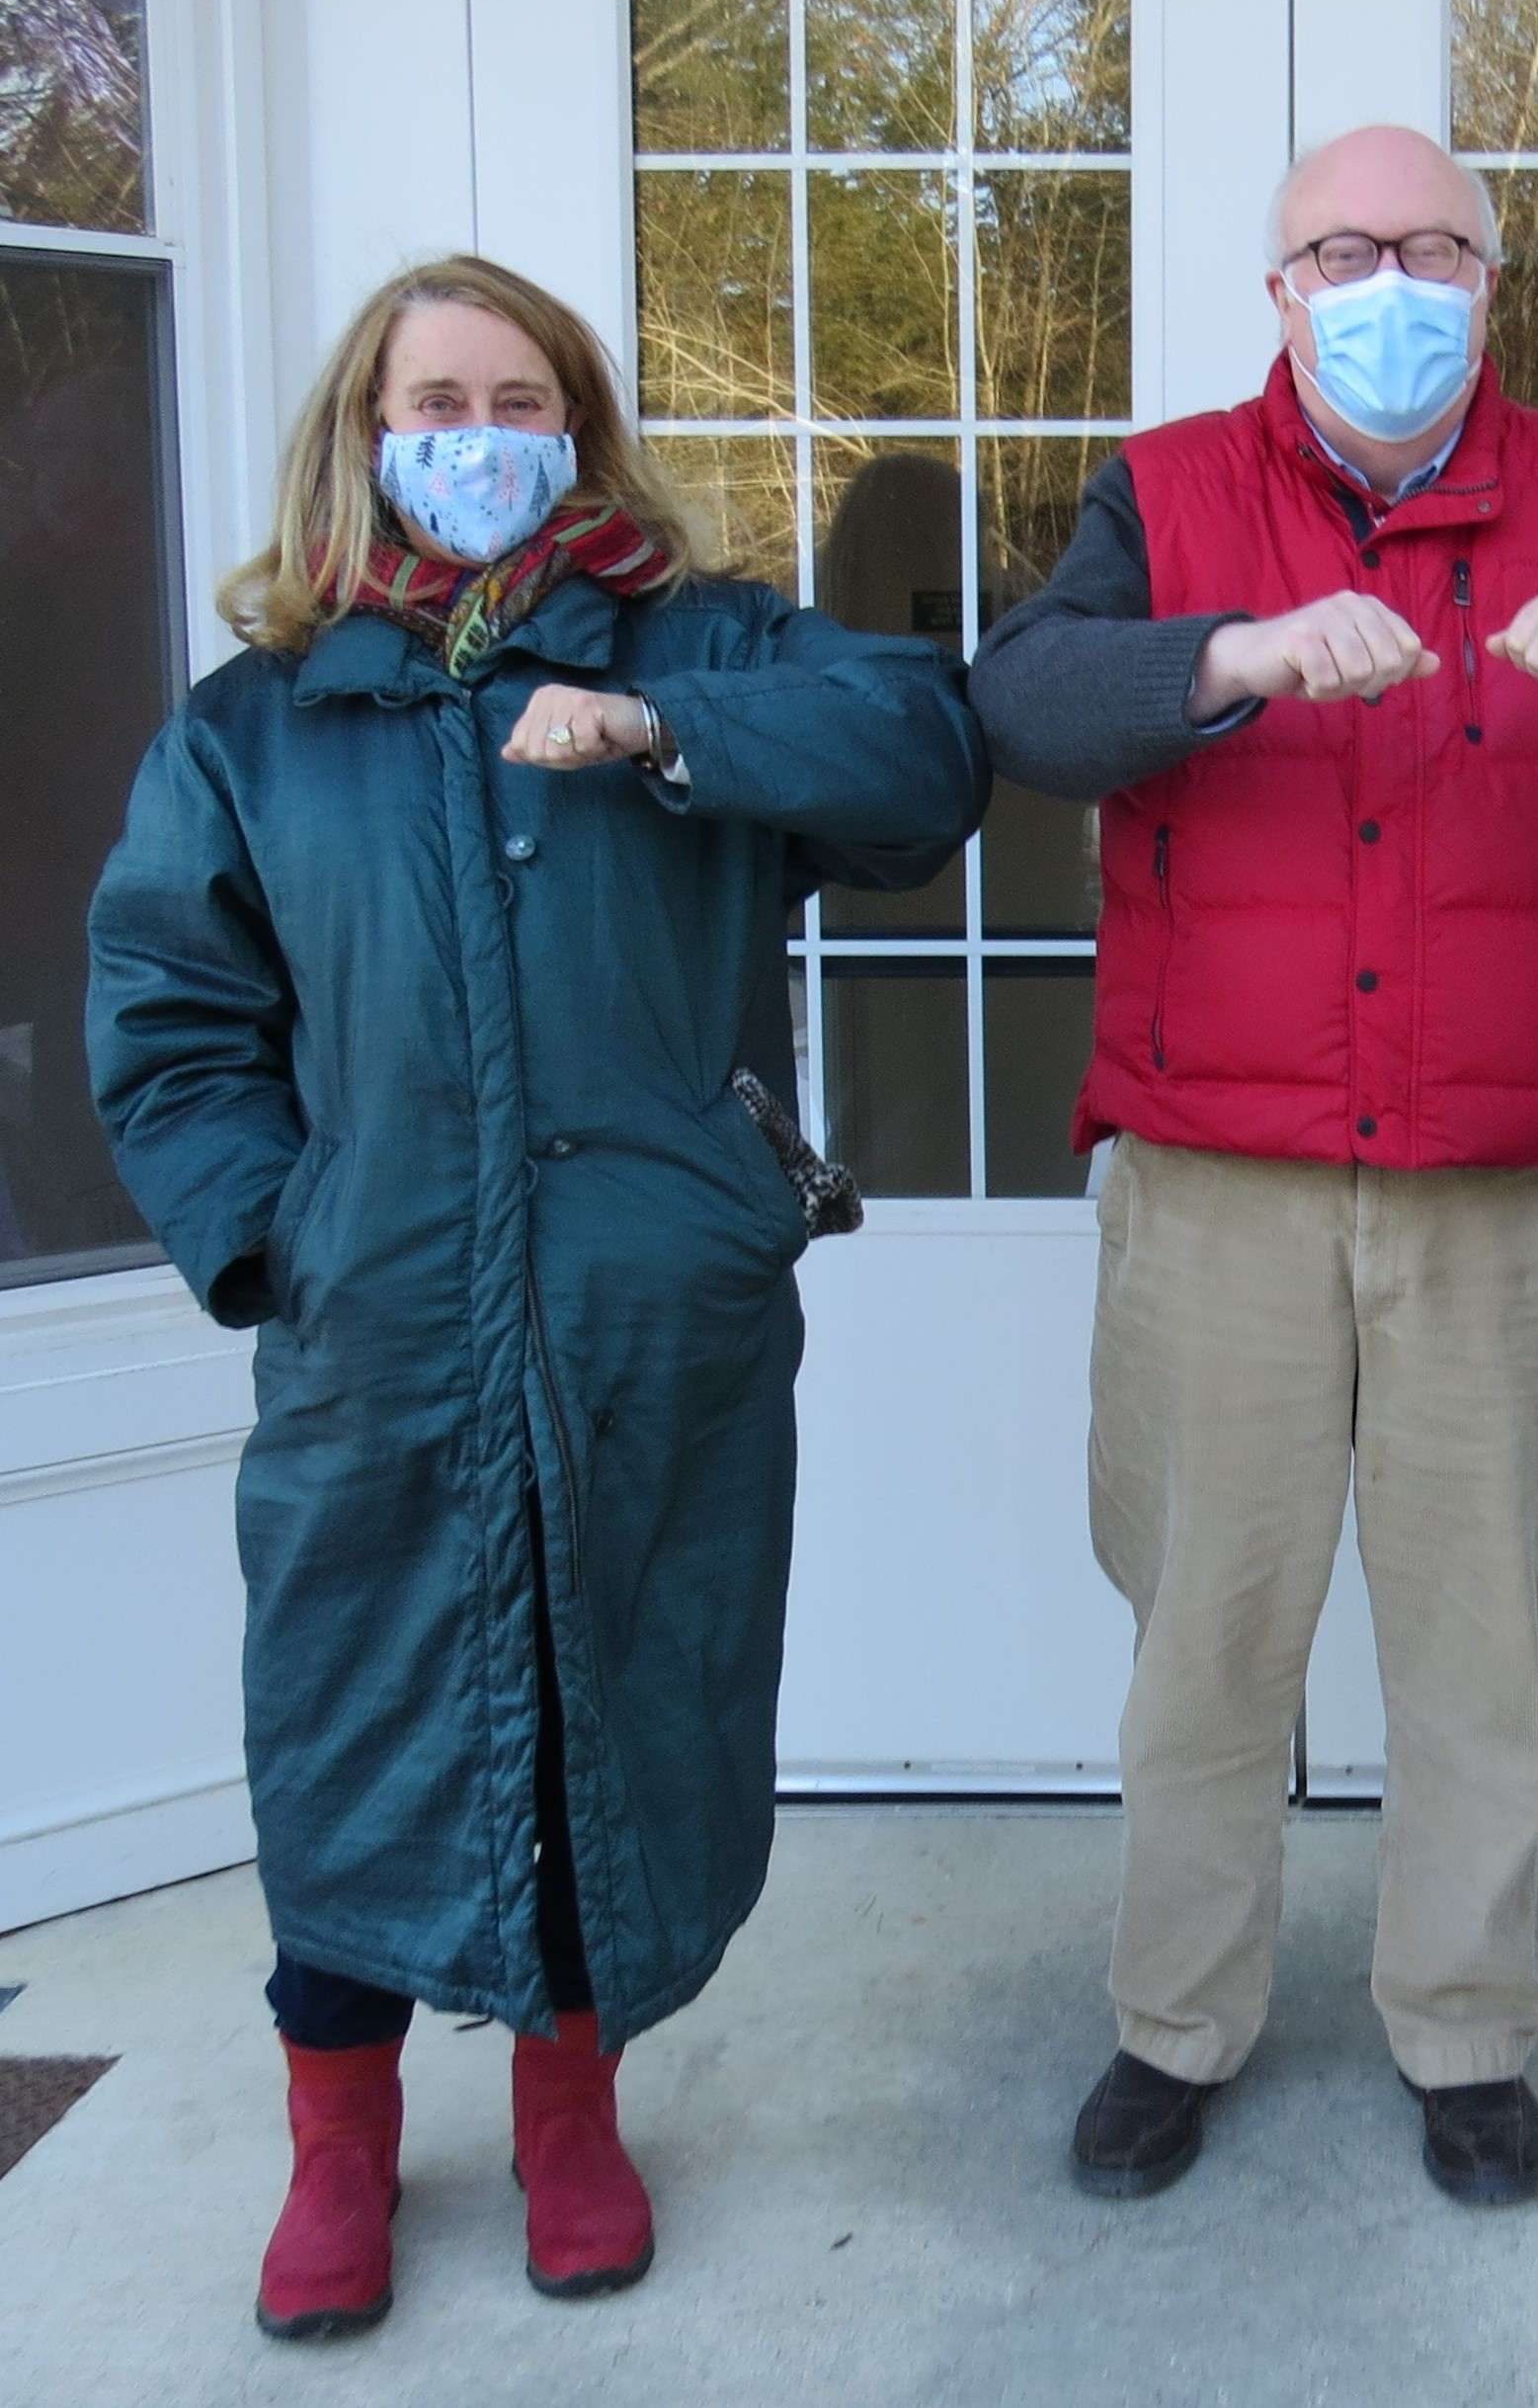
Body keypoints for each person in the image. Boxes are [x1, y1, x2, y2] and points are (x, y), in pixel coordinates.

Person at [973, 125, 1538, 2206]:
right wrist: (1231, 657)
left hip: (1507, 1190)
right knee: (1205, 1634)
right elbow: (1020, 698)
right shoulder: (1171, 487)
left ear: (1493, 277)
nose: (1385, 281)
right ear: (1276, 287)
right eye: (1338, 250)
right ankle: (1175, 2023)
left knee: (1484, 1643)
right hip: (1227, 1178)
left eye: (1427, 247)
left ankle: (1464, 2026)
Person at [86, 256, 979, 2339]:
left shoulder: (712, 641)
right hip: (378, 1322)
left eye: (516, 395)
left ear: (573, 428)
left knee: (608, 1703)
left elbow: (922, 757)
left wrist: (669, 726)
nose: (472, 434)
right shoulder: (262, 723)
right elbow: (170, 1017)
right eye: (432, 400)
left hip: (642, 1315)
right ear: (366, 435)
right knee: (348, 1726)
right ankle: (341, 2150)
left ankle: (572, 2116)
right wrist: (274, 1239)